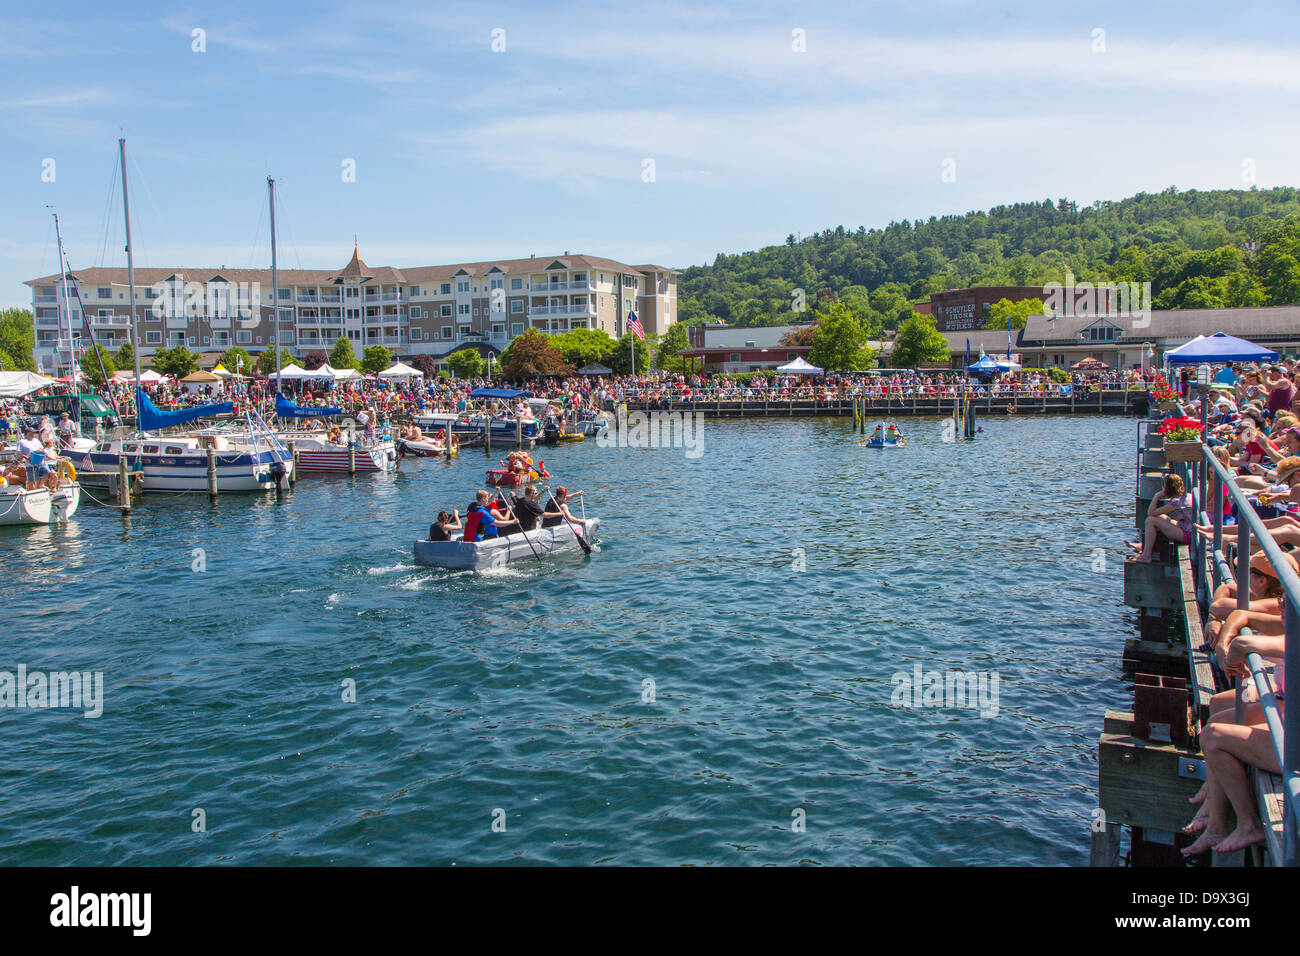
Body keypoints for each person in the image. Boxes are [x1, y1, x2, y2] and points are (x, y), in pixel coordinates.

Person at [1128, 473, 1194, 562]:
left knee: (1150, 521)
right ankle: (1145, 546)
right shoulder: (1186, 496)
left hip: (1188, 535)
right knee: (1160, 517)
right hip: (1188, 528)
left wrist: (1157, 496)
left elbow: (1150, 513)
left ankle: (1146, 555)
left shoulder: (1176, 502)